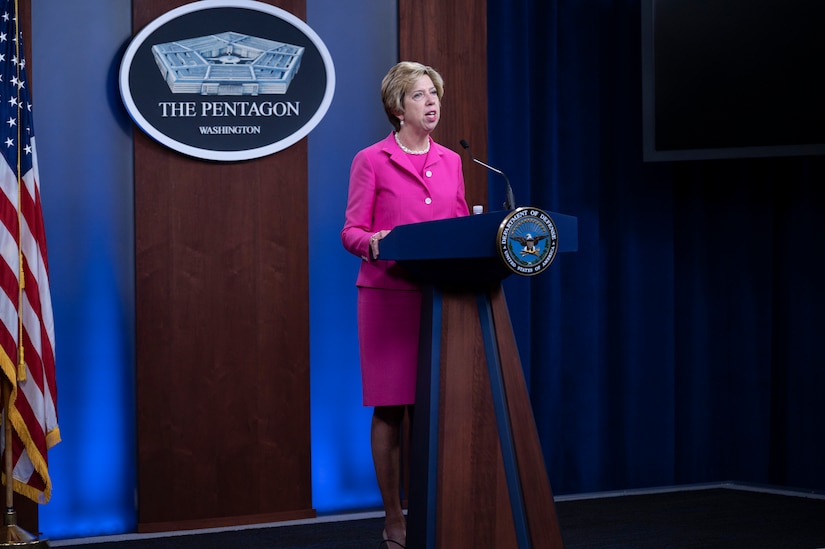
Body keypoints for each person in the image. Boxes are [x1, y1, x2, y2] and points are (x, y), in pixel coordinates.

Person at [341, 61, 470, 547]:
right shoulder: (371, 160)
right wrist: (371, 241)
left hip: (439, 297)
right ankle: (395, 517)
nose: (431, 101)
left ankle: (431, 510)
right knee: (392, 408)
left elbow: (458, 225)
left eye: (434, 93)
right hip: (388, 298)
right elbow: (350, 230)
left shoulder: (454, 161)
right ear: (398, 107)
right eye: (419, 95)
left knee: (432, 409)